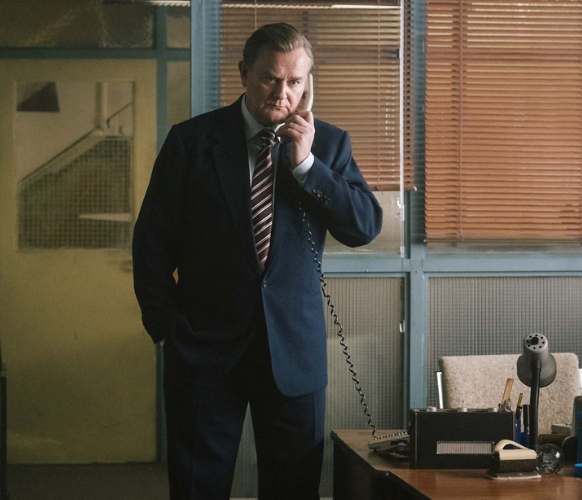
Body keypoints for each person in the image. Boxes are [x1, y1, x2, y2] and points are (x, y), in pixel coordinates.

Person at [132, 23, 383, 500]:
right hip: (203, 350)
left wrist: (308, 165)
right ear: (245, 72)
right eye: (271, 78)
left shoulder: (327, 144)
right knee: (196, 488)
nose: (283, 93)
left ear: (307, 83)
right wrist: (164, 325)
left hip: (293, 352)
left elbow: (364, 226)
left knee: (293, 489)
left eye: (295, 83)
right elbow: (151, 243)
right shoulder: (191, 141)